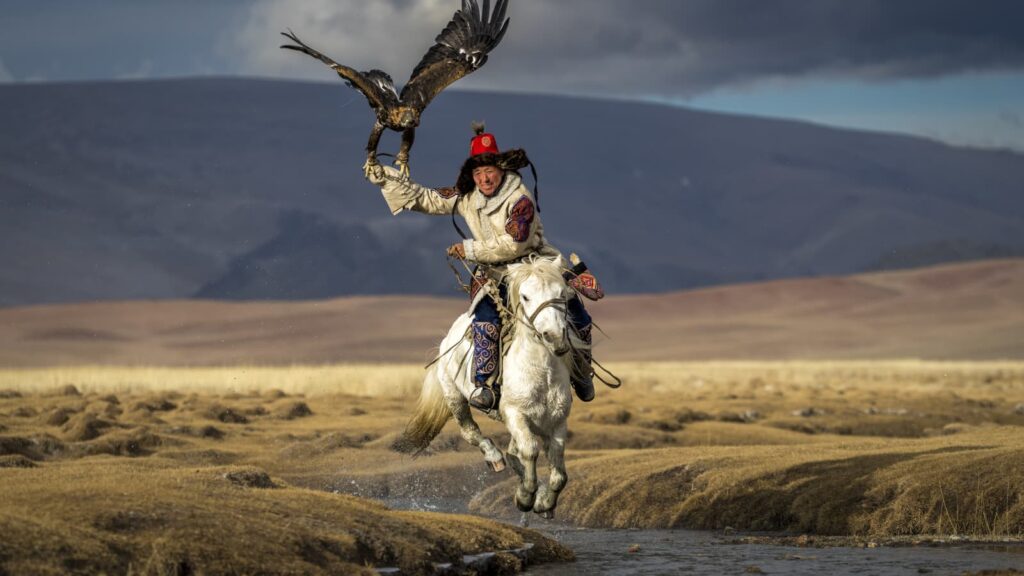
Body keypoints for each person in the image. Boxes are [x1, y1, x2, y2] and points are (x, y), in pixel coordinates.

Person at [364, 123, 597, 412]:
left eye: (489, 171)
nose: (484, 178)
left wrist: (470, 249)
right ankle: (484, 384)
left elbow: (515, 244)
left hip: (533, 264)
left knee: (576, 314)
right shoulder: (467, 195)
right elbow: (428, 198)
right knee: (485, 321)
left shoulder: (520, 198)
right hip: (494, 273)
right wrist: (386, 177)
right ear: (471, 175)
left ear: (501, 170)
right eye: (477, 173)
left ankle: (582, 374)